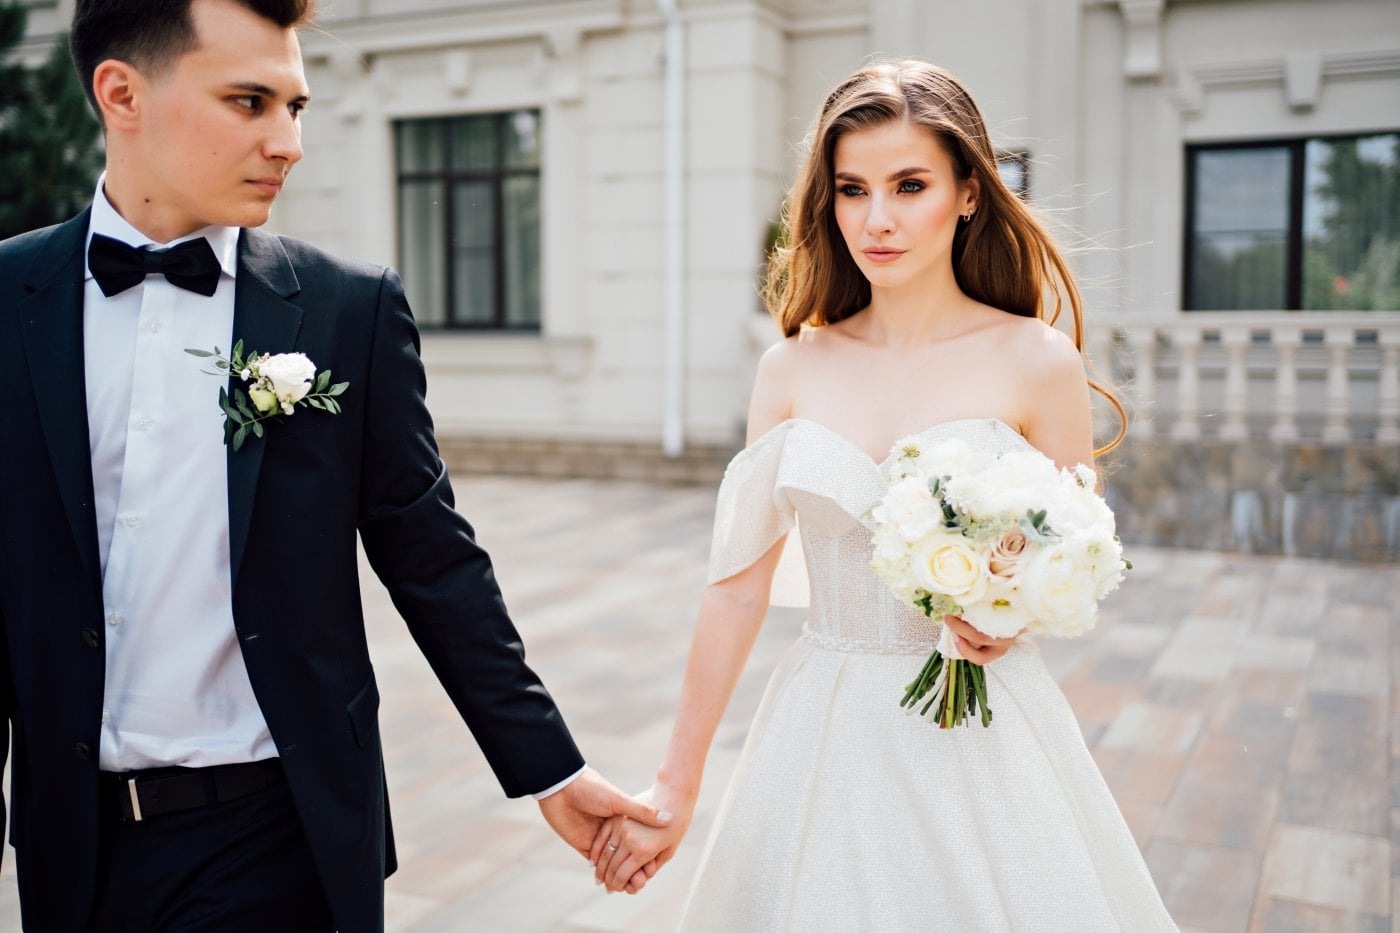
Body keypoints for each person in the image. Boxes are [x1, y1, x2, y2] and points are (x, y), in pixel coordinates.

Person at [0, 1, 670, 930]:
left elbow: (434, 560)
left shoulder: (347, 310)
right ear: (122, 94)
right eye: (249, 102)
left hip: (280, 839)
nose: (288, 142)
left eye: (296, 107)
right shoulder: (11, 300)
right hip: (71, 850)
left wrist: (551, 768)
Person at [590, 60, 1178, 930]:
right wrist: (676, 784)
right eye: (852, 189)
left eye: (909, 185)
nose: (877, 219)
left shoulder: (1037, 360)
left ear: (969, 192)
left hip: (980, 729)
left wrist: (1009, 615)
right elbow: (737, 588)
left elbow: (1073, 549)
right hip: (823, 722)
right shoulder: (789, 369)